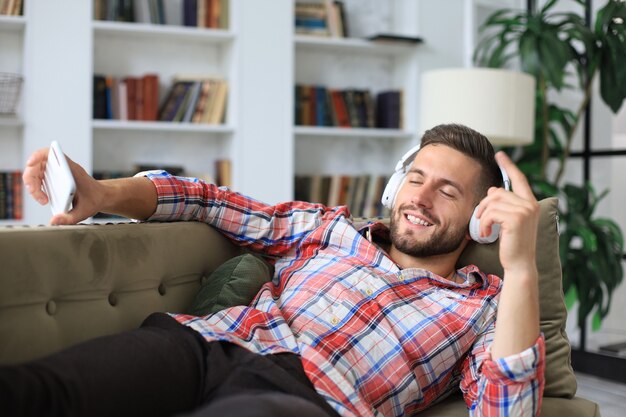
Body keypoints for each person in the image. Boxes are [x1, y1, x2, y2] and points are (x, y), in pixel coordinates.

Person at [4, 123, 544, 417]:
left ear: (481, 219)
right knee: (41, 392)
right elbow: (211, 202)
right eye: (416, 178)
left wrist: (521, 271)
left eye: (447, 191)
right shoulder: (329, 229)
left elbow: (507, 412)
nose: (420, 198)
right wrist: (101, 193)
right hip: (202, 345)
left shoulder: (485, 307)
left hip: (306, 398)